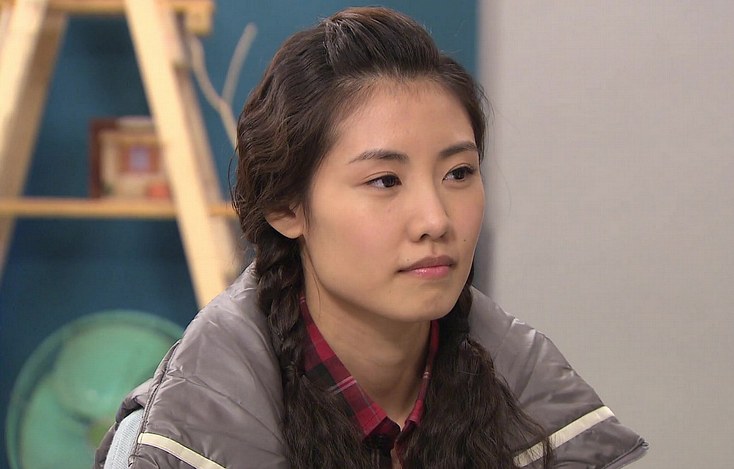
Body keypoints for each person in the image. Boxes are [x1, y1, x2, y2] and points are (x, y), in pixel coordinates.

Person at [95, 7, 646, 468]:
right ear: (286, 207)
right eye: (385, 181)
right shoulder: (179, 441)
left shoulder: (537, 410)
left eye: (459, 173)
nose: (435, 220)